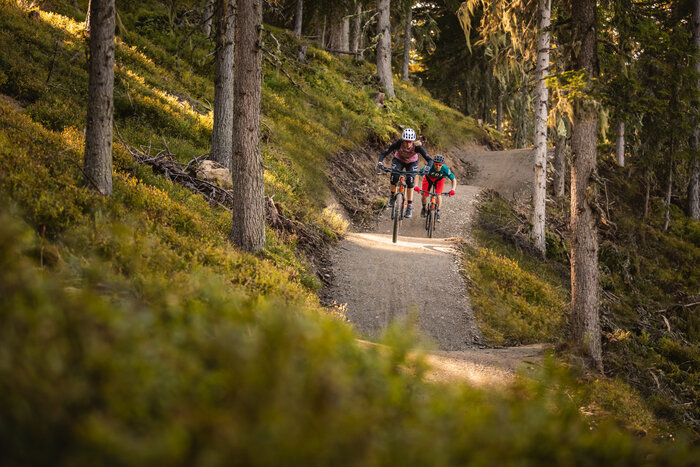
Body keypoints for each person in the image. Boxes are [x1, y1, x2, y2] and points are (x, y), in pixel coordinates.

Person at [377, 128, 433, 218]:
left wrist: (427, 168)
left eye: (410, 142)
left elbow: (430, 160)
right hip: (398, 160)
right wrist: (380, 162)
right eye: (406, 141)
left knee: (410, 180)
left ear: (413, 141)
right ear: (403, 140)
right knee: (394, 176)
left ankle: (409, 206)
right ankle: (392, 196)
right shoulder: (398, 143)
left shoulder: (417, 147)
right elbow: (384, 153)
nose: (408, 144)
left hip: (412, 163)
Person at [414, 154, 456, 222]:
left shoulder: (445, 169)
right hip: (428, 178)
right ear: (433, 163)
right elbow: (418, 174)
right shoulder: (429, 167)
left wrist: (453, 189)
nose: (438, 166)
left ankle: (438, 211)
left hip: (439, 180)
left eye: (440, 165)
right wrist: (416, 185)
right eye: (436, 164)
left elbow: (453, 180)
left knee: (438, 195)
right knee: (424, 194)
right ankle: (424, 207)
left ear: (442, 164)